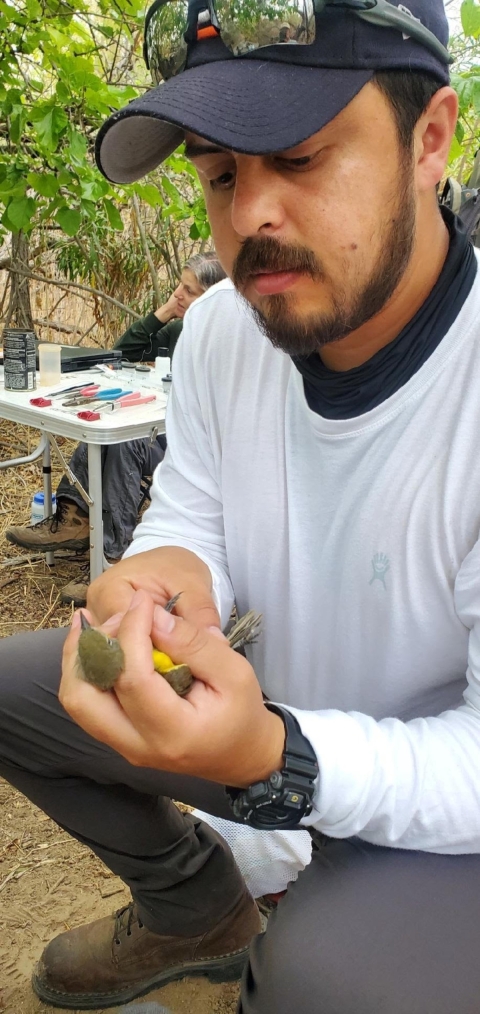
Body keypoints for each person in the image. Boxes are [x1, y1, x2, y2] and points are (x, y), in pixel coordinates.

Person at [2, 1, 480, 1012]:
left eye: (299, 158)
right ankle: (194, 909)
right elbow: (191, 514)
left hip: (440, 800)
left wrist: (283, 760)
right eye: (220, 172)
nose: (250, 214)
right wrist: (165, 579)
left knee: (319, 979)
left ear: (430, 138)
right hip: (261, 736)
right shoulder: (226, 327)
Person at [5, 253, 226, 603]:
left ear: (214, 299)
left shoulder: (221, 340)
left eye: (190, 290)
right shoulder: (179, 328)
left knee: (128, 441)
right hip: (161, 422)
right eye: (179, 286)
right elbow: (120, 353)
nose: (178, 294)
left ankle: (113, 558)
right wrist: (163, 313)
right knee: (105, 429)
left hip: (197, 444)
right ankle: (73, 519)